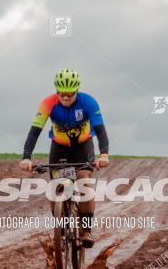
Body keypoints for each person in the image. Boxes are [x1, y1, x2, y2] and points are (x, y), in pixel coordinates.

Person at [19, 69, 109, 247]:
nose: (66, 98)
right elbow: (34, 132)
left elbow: (100, 130)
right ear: (57, 91)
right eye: (62, 94)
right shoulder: (48, 103)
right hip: (59, 147)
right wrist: (26, 157)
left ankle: (86, 230)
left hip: (83, 146)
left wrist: (104, 154)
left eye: (70, 94)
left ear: (77, 91)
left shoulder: (89, 102)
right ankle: (60, 227)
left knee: (84, 181)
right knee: (55, 186)